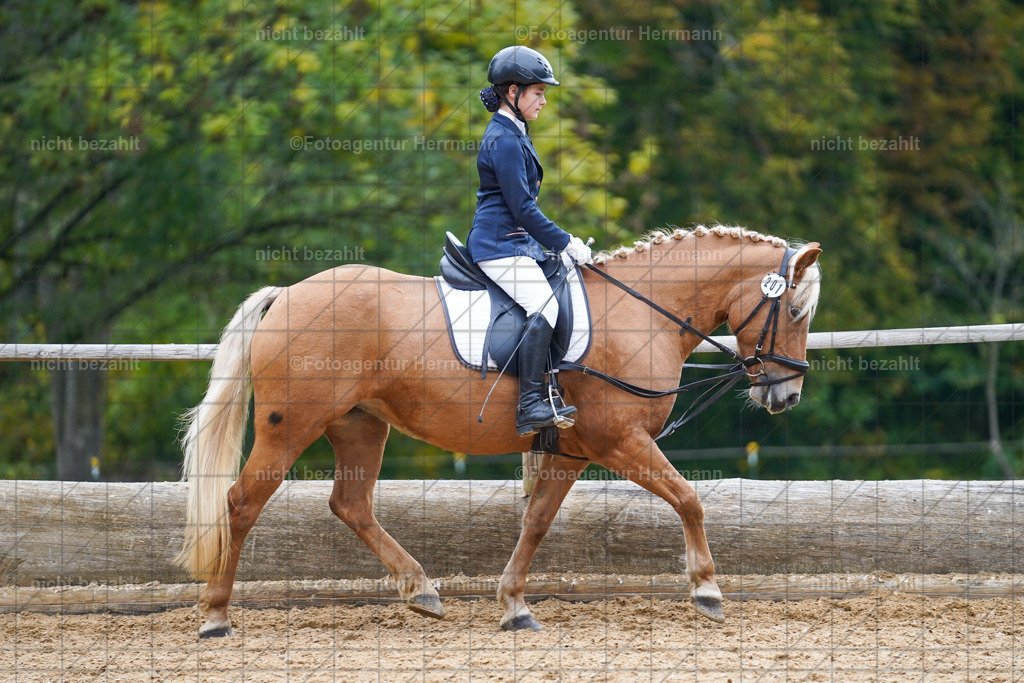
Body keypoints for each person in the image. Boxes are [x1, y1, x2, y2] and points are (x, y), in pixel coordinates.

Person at [467, 46, 593, 437]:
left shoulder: (514, 132)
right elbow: (522, 208)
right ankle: (530, 404)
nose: (543, 100)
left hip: (516, 243)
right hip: (498, 245)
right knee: (545, 307)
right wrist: (566, 241)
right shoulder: (504, 140)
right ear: (512, 93)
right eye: (537, 92)